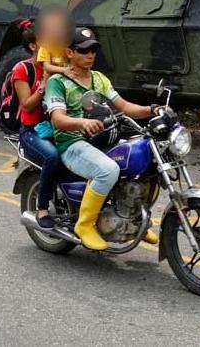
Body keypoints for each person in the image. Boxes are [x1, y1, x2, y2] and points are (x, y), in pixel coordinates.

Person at [45, 27, 157, 250]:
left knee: (147, 160)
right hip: (72, 142)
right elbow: (58, 119)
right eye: (84, 50)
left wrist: (151, 110)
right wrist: (83, 122)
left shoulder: (99, 79)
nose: (90, 55)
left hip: (103, 138)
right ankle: (84, 225)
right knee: (108, 170)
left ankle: (134, 219)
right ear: (70, 53)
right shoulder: (57, 82)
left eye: (93, 50)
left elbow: (123, 106)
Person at [10, 21, 59, 228]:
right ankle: (42, 208)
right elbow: (27, 106)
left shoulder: (58, 64)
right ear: (33, 46)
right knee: (52, 156)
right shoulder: (22, 69)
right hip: (32, 131)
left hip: (57, 127)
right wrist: (44, 84)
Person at [35, 6, 76, 80]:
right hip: (53, 80)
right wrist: (64, 70)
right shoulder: (45, 46)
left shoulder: (69, 44)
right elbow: (47, 67)